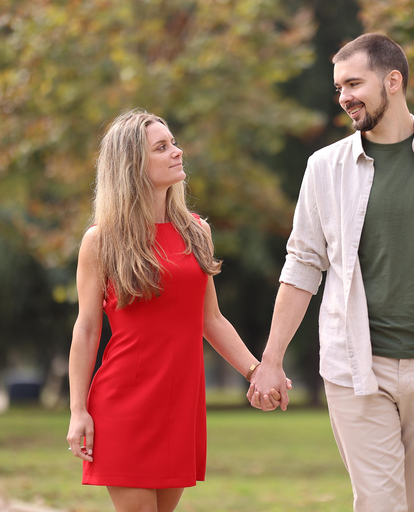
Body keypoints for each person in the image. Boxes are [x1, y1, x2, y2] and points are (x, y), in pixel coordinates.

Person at [249, 33, 414, 512]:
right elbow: (301, 265)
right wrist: (272, 359)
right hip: (355, 365)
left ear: (393, 81)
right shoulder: (325, 168)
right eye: (339, 87)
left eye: (354, 83)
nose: (344, 97)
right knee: (383, 503)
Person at [66, 109, 282, 512]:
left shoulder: (197, 230)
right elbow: (87, 330)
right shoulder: (100, 241)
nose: (177, 152)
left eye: (174, 143)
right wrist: (78, 410)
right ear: (133, 165)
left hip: (180, 401)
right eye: (162, 148)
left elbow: (210, 319)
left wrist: (256, 372)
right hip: (123, 400)